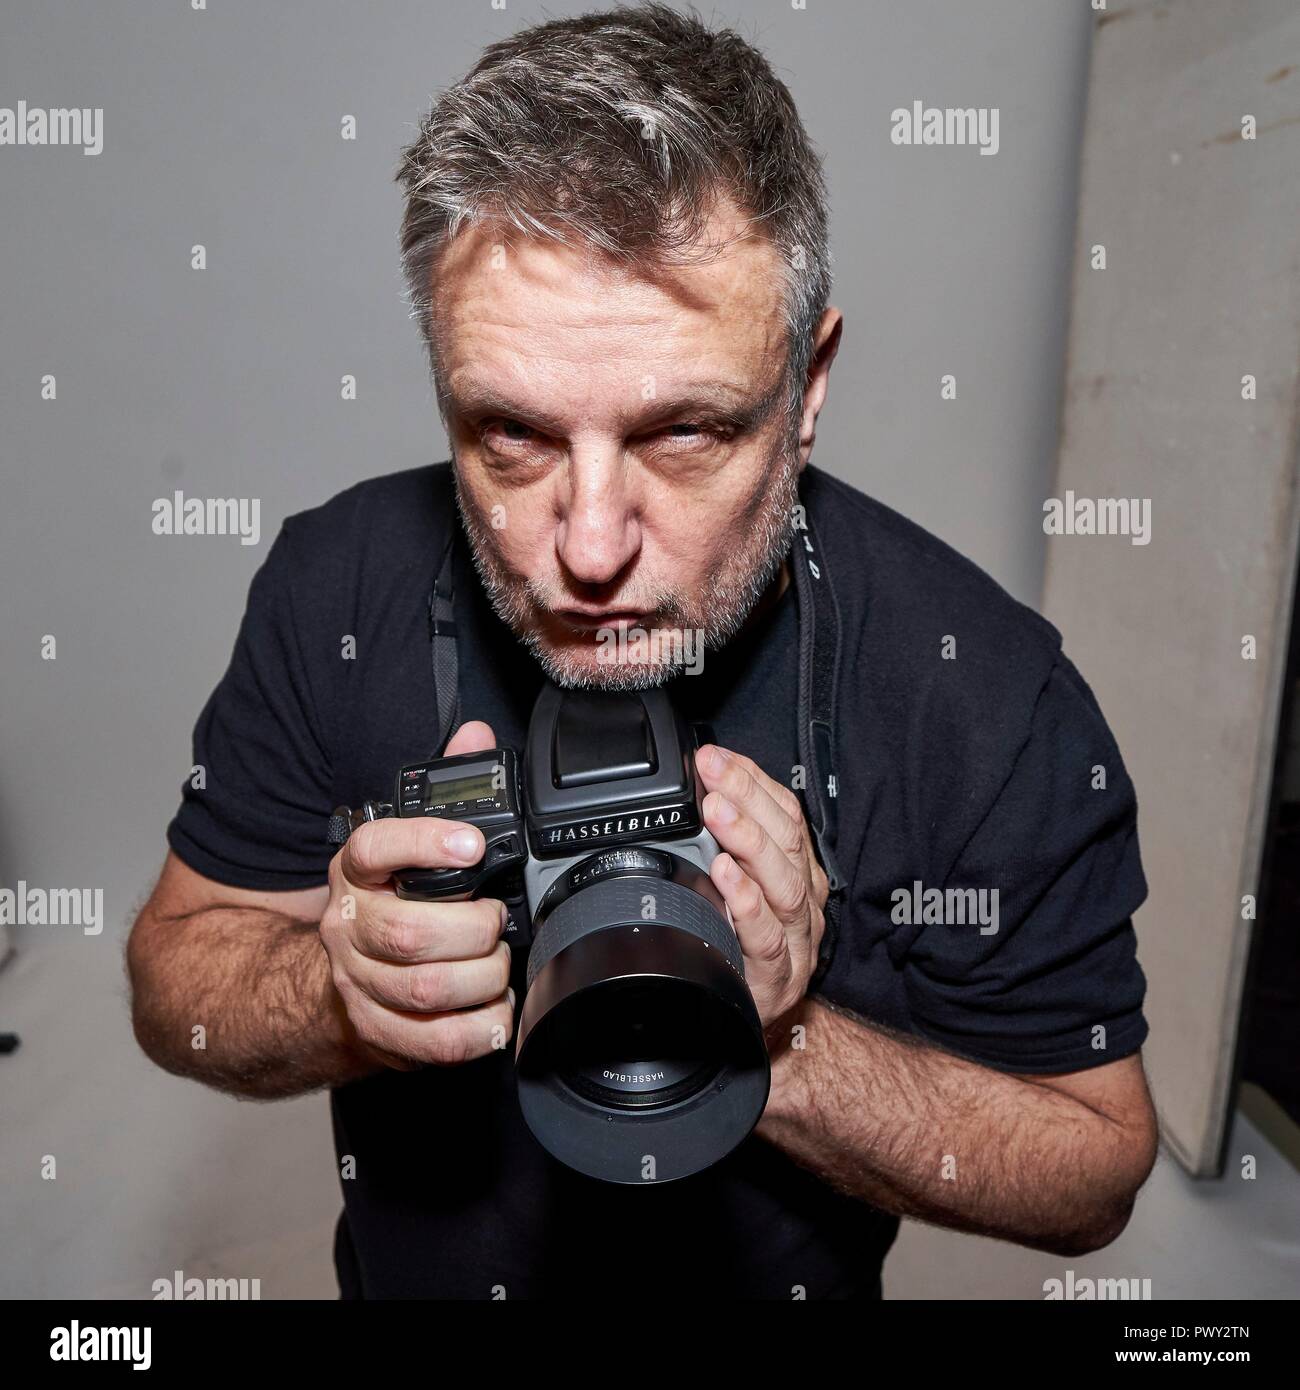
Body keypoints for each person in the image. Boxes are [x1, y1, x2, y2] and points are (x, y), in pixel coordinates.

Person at [127, 3, 1158, 1300]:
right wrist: (337, 987)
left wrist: (773, 1034)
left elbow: (1096, 1163)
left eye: (685, 434)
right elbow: (176, 971)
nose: (592, 546)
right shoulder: (338, 584)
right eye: (513, 435)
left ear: (808, 384)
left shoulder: (981, 694)